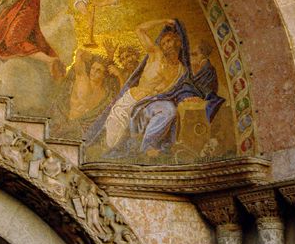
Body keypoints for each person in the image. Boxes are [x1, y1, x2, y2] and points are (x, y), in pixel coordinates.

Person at [86, 19, 222, 157]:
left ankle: (148, 147)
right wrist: (163, 21)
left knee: (169, 110)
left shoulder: (181, 70)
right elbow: (139, 29)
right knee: (112, 143)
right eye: (163, 43)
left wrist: (190, 97)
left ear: (178, 42)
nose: (166, 46)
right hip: (130, 103)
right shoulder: (156, 55)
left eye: (169, 41)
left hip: (151, 105)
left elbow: (181, 90)